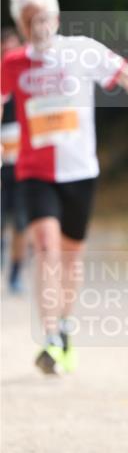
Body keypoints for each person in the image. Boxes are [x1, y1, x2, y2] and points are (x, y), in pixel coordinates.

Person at [1, 0, 128, 374]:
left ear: (55, 19)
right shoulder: (12, 63)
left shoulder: (82, 51)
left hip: (80, 173)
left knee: (71, 259)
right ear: (20, 26)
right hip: (35, 172)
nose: (37, 27)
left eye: (42, 19)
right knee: (46, 248)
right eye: (29, 22)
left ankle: (65, 327)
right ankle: (51, 334)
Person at [1, 27, 28, 293]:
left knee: (22, 223)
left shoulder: (28, 81)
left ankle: (16, 274)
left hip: (24, 165)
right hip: (2, 165)